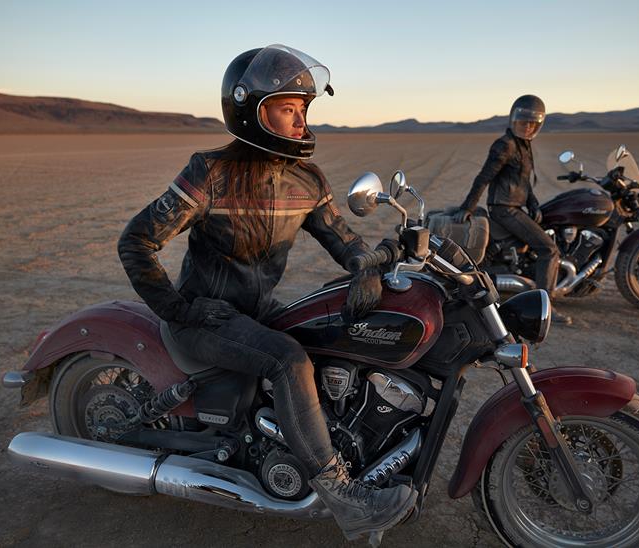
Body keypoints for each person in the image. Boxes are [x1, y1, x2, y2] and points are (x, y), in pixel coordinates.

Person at [117, 44, 416, 540]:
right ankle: (345, 499)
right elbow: (137, 240)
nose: (300, 122)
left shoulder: (306, 179)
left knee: (331, 336)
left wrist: (366, 266)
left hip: (254, 313)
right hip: (206, 320)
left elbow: (342, 240)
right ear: (252, 110)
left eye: (303, 110)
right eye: (287, 109)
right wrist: (179, 307)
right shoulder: (210, 172)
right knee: (289, 361)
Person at [452, 94, 571, 325]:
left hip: (515, 205)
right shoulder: (504, 145)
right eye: (522, 122)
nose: (527, 127)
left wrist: (533, 204)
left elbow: (523, 182)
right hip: (504, 208)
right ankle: (545, 307)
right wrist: (468, 206)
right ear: (513, 120)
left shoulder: (523, 145)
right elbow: (484, 177)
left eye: (532, 123)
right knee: (549, 249)